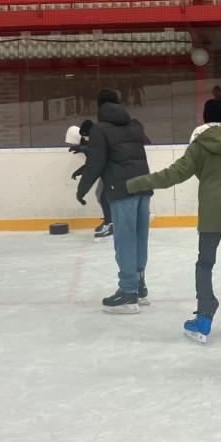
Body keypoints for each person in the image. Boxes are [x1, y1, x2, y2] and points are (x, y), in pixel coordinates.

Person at [126, 99, 221, 343]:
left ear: (204, 118)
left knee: (205, 265)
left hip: (211, 217)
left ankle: (204, 318)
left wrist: (133, 184)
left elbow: (172, 175)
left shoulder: (199, 147)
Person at [76, 88, 152, 313]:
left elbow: (96, 163)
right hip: (144, 186)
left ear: (99, 106)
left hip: (122, 189)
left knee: (125, 239)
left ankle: (128, 292)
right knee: (139, 237)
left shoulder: (100, 129)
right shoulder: (133, 125)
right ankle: (138, 285)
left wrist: (82, 189)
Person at [67, 119, 114, 238]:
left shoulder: (97, 140)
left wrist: (82, 148)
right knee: (100, 194)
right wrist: (79, 171)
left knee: (104, 197)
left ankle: (110, 224)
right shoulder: (90, 142)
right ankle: (108, 220)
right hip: (107, 172)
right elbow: (92, 163)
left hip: (112, 171)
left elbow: (98, 153)